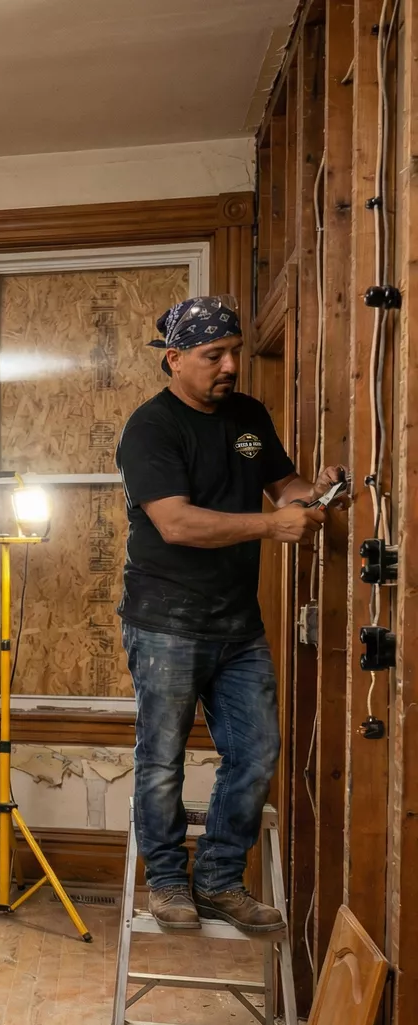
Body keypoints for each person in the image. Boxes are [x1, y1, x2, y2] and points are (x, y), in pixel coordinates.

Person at [115, 296, 346, 935]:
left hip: (236, 623)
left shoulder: (248, 416)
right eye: (214, 355)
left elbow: (284, 484)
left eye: (235, 353)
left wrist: (316, 492)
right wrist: (275, 525)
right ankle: (166, 881)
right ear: (175, 358)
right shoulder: (151, 428)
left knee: (257, 749)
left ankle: (216, 879)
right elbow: (177, 523)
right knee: (162, 757)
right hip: (165, 620)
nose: (230, 366)